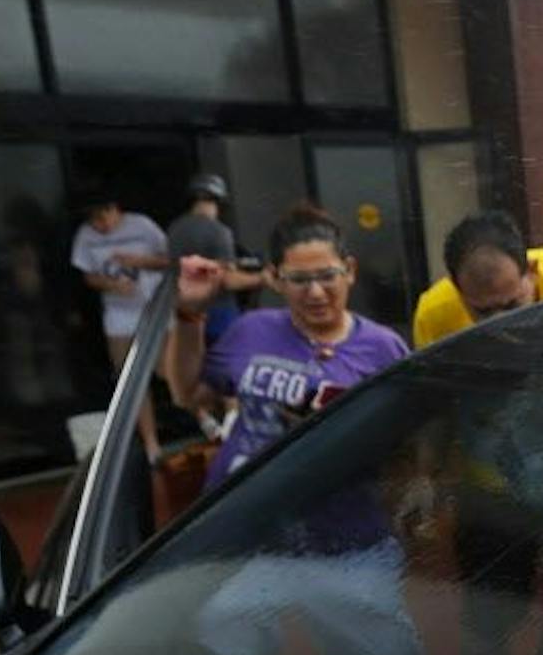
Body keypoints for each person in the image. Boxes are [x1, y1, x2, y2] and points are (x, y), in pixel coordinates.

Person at [165, 202, 409, 490]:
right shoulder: (250, 330)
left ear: (350, 271)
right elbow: (188, 396)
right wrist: (189, 315)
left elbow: (406, 441)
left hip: (338, 513)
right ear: (276, 278)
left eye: (327, 275)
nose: (315, 292)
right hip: (242, 510)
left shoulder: (384, 348)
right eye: (299, 279)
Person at [410, 210, 543, 347]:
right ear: (456, 288)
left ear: (532, 271)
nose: (502, 325)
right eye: (483, 312)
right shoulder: (434, 315)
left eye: (512, 306)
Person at [70, 193, 166, 461]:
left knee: (166, 369)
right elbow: (87, 276)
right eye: (93, 221)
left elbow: (170, 260)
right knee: (131, 379)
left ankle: (207, 417)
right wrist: (111, 285)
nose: (99, 226)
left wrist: (139, 262)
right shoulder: (85, 236)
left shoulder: (142, 226)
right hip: (117, 316)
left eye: (102, 218)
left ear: (115, 209)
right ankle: (151, 443)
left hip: (152, 309)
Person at [155, 173, 262, 343]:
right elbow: (227, 279)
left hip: (185, 311)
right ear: (219, 202)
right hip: (219, 312)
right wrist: (261, 278)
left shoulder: (175, 229)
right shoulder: (219, 231)